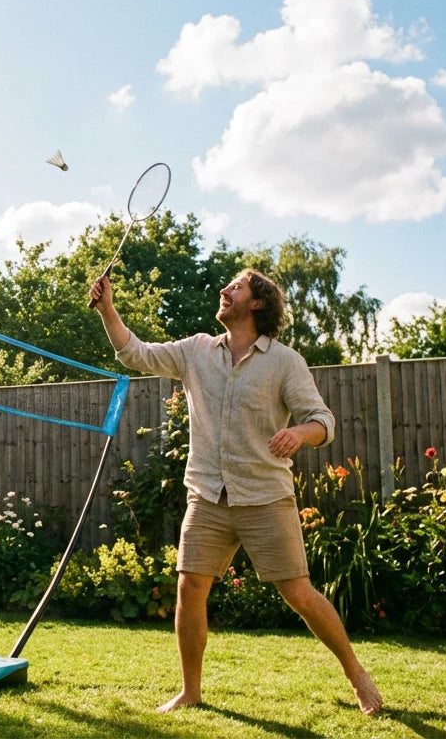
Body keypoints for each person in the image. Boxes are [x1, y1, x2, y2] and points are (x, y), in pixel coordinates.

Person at [90, 269, 382, 716]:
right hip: (207, 494)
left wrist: (301, 433)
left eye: (236, 287)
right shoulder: (196, 351)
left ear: (258, 304)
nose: (225, 291)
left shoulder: (285, 361)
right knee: (190, 587)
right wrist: (108, 308)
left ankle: (356, 673)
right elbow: (135, 353)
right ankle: (190, 691)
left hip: (265, 495)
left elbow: (324, 421)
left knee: (299, 594)